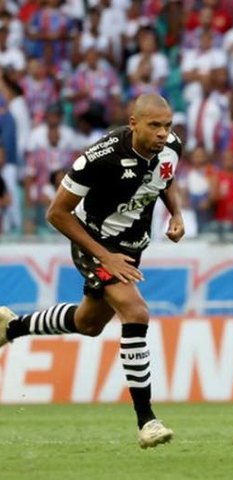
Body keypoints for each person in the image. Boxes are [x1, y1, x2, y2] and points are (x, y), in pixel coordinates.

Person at [0, 94, 184, 449]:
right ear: (134, 124)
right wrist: (105, 257)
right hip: (93, 243)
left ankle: (12, 326)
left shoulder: (172, 146)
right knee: (135, 312)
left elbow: (166, 177)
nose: (163, 133)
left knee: (89, 323)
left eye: (167, 125)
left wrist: (176, 214)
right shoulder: (100, 158)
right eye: (154, 125)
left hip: (131, 247)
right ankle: (147, 420)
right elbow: (56, 212)